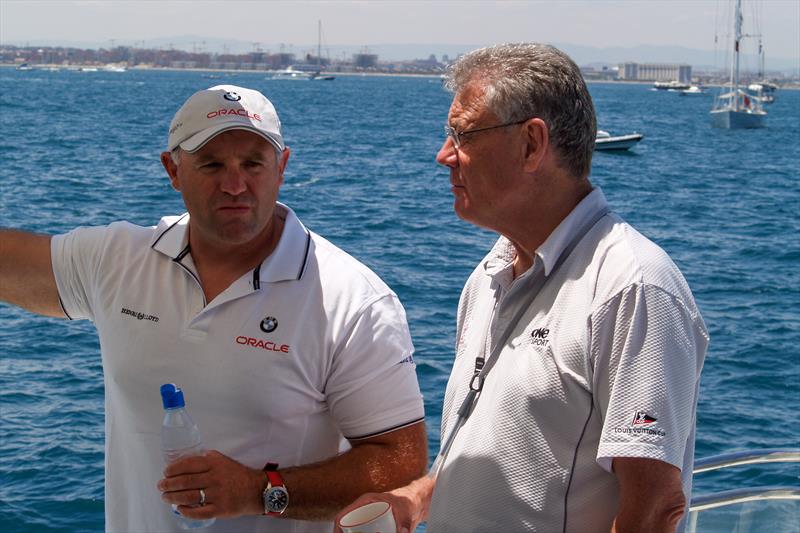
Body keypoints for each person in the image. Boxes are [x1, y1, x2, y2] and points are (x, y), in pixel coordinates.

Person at [0, 84, 427, 532]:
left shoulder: (353, 301)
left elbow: (401, 462)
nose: (235, 184)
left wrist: (260, 490)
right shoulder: (117, 261)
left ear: (281, 167)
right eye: (212, 164)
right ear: (173, 170)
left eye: (253, 164)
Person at [335, 43, 708, 533]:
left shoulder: (633, 288)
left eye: (462, 135)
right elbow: (506, 452)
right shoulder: (490, 274)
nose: (443, 155)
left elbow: (654, 509)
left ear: (532, 144)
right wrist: (415, 498)